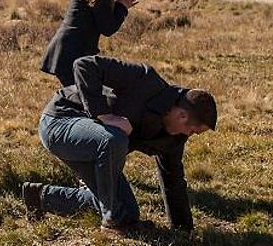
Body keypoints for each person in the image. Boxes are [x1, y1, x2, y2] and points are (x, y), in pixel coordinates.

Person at [23, 55, 217, 233]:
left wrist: (183, 230)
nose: (190, 136)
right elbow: (84, 65)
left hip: (98, 147)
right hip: (60, 121)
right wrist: (103, 115)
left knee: (126, 211)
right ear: (182, 115)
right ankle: (113, 223)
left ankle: (40, 197)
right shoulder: (145, 80)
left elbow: (172, 179)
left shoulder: (173, 138)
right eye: (192, 131)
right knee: (115, 139)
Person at [41, 0, 141, 87]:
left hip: (69, 53)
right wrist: (122, 7)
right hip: (71, 56)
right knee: (85, 100)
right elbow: (107, 27)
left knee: (82, 99)